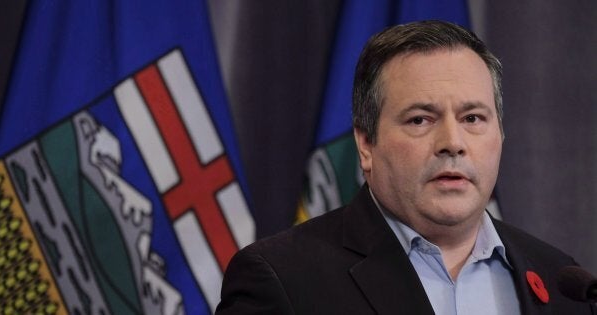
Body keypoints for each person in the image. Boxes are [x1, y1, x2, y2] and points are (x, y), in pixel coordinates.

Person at [216, 20, 595, 314]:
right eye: (420, 120)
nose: (453, 142)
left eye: (473, 118)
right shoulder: (283, 279)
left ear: (501, 133)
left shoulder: (561, 281)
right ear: (366, 144)